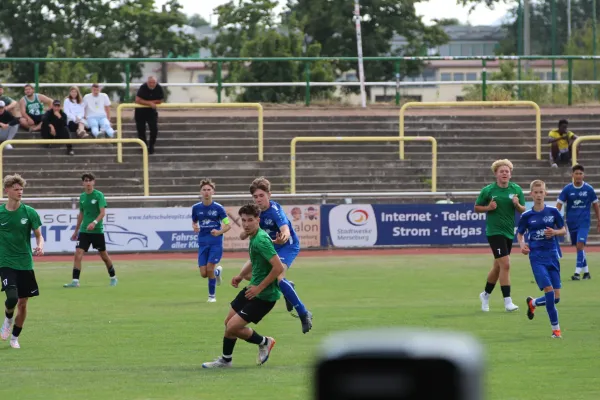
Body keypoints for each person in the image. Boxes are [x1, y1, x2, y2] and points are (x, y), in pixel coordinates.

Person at [202, 203, 281, 369]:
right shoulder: (255, 236)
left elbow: (278, 268)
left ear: (258, 220)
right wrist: (240, 276)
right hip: (252, 289)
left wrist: (259, 288)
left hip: (264, 296)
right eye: (243, 220)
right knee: (228, 323)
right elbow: (256, 260)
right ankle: (226, 360)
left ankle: (265, 342)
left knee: (233, 326)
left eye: (250, 220)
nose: (246, 224)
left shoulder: (260, 240)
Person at [239, 177, 313, 334]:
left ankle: (304, 313)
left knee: (278, 276)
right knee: (246, 274)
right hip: (270, 246)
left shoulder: (275, 210)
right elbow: (246, 231)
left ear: (269, 195)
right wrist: (244, 232)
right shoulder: (256, 212)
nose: (258, 199)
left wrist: (283, 237)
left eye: (261, 195)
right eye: (255, 196)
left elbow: (285, 228)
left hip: (287, 246)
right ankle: (287, 287)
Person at [0, 174, 44, 349]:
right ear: (7, 191)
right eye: (16, 189)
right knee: (11, 297)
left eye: (21, 189)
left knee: (23, 303)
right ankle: (8, 319)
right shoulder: (1, 213)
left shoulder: (29, 212)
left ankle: (14, 338)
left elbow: (39, 236)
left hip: (25, 262)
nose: (20, 192)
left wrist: (40, 246)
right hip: (5, 262)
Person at [475, 159, 525, 313]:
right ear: (496, 174)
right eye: (501, 171)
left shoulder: (516, 189)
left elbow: (523, 210)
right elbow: (477, 208)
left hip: (509, 232)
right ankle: (508, 302)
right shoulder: (488, 190)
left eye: (507, 171)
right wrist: (488, 207)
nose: (504, 173)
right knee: (506, 264)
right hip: (494, 232)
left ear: (510, 174)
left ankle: (485, 295)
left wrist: (517, 204)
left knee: (498, 267)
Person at [517, 180, 565, 338]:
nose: (538, 195)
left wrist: (555, 233)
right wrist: (522, 245)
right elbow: (520, 233)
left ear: (546, 193)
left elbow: (563, 229)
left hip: (552, 255)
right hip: (536, 258)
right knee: (550, 293)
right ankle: (556, 330)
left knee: (556, 298)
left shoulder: (553, 212)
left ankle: (533, 303)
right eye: (535, 192)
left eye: (541, 192)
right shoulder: (527, 216)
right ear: (531, 194)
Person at [64, 172, 117, 288]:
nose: (88, 183)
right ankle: (75, 281)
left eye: (90, 180)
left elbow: (102, 213)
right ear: (83, 183)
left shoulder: (99, 195)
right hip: (84, 231)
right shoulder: (82, 197)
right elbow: (81, 214)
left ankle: (113, 277)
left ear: (93, 182)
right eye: (86, 181)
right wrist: (76, 230)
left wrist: (94, 222)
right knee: (78, 253)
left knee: (104, 256)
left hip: (97, 231)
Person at [556, 164, 600, 281]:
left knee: (580, 244)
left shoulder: (589, 189)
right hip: (571, 223)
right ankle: (586, 272)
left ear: (583, 175)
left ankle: (577, 273)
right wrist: (554, 219)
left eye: (581, 173)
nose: (579, 176)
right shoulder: (567, 189)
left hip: (584, 222)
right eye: (577, 173)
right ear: (573, 175)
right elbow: (559, 205)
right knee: (579, 247)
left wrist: (599, 220)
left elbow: (596, 205)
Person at [192, 179, 231, 302]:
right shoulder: (196, 208)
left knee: (209, 268)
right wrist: (194, 226)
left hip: (215, 242)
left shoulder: (218, 208)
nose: (206, 192)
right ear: (200, 192)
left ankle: (211, 296)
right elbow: (194, 221)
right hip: (203, 241)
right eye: (204, 190)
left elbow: (227, 225)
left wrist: (219, 232)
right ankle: (217, 273)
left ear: (213, 192)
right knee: (204, 273)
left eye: (209, 190)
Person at [135, 76, 164, 155]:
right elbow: (137, 100)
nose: (152, 84)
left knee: (154, 129)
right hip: (140, 112)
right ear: (147, 82)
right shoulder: (143, 87)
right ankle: (144, 146)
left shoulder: (158, 87)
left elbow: (160, 100)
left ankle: (151, 146)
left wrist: (148, 102)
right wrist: (150, 103)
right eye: (150, 82)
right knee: (141, 130)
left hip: (151, 112)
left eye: (153, 82)